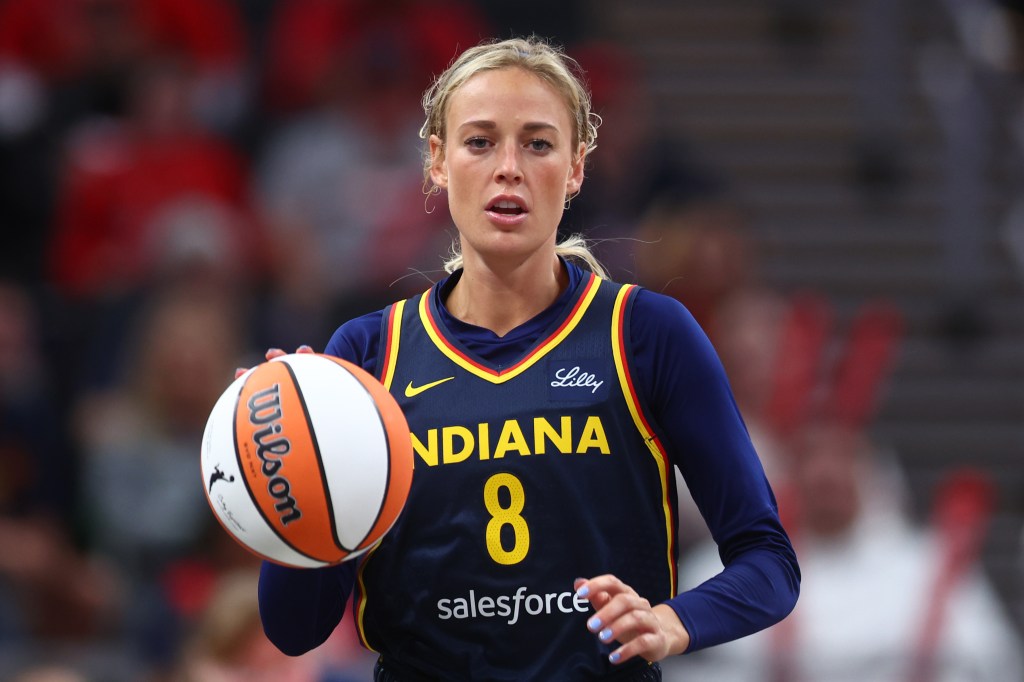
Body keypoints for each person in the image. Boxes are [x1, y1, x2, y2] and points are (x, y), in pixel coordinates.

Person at [254, 36, 800, 681]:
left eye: (538, 143)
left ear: (575, 167)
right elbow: (294, 630)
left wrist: (673, 621)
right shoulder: (368, 353)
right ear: (436, 161)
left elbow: (768, 562)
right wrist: (288, 477)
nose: (508, 167)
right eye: (480, 141)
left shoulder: (644, 332)